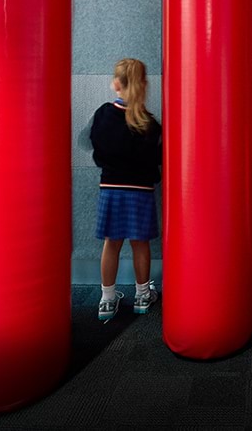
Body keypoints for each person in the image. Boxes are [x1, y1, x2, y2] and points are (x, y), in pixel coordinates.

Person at [84, 58, 162, 321]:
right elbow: (156, 159)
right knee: (140, 244)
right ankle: (142, 295)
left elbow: (94, 145)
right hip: (140, 190)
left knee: (112, 243)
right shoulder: (151, 124)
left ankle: (107, 300)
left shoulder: (104, 114)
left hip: (112, 187)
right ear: (144, 85)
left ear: (116, 83)